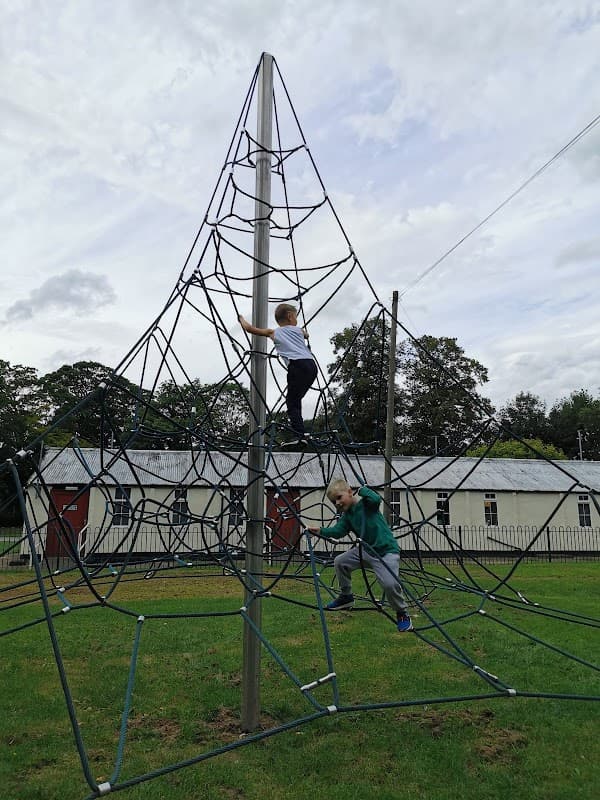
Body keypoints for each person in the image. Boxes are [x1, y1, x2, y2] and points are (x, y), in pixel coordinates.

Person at [309, 478, 413, 633]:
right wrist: (319, 531)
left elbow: (376, 499)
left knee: (390, 584)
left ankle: (402, 613)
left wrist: (364, 489)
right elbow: (337, 532)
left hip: (386, 552)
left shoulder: (366, 505)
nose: (337, 503)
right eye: (333, 502)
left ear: (350, 492)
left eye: (339, 497)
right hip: (366, 551)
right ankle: (346, 597)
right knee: (340, 561)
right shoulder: (347, 517)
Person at [238, 303, 317, 443]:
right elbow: (307, 334)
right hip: (311, 366)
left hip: (297, 366)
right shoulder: (298, 330)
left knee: (292, 403)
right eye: (296, 317)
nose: (296, 320)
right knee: (295, 400)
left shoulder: (274, 332)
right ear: (290, 316)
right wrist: (303, 333)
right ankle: (301, 433)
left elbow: (249, 328)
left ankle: (300, 435)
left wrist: (241, 319)